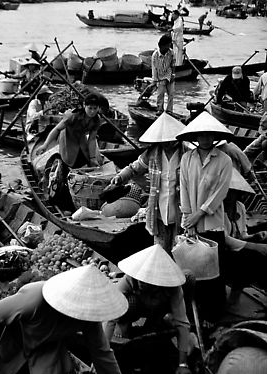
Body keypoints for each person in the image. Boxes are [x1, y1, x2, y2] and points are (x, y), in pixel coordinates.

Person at [0, 265, 128, 374]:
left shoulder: (88, 315)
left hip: (49, 350)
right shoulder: (36, 296)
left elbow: (101, 351)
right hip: (20, 346)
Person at [104, 244, 193, 374]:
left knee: (190, 277)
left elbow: (183, 323)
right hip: (137, 305)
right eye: (139, 279)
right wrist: (103, 355)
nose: (141, 282)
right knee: (129, 304)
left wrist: (183, 364)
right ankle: (125, 325)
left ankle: (156, 323)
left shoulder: (172, 288)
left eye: (146, 281)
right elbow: (110, 317)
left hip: (158, 305)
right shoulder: (129, 280)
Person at [176, 111, 233, 323]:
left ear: (214, 136)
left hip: (212, 222)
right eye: (201, 135)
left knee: (214, 272)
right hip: (192, 223)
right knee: (193, 271)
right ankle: (194, 314)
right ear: (195, 137)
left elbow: (221, 192)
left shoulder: (224, 160)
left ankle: (215, 315)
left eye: (209, 135)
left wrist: (199, 213)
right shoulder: (187, 158)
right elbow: (183, 188)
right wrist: (188, 217)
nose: (205, 139)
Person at [110, 112, 187, 254]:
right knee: (159, 250)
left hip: (180, 209)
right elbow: (134, 168)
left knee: (179, 249)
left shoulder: (187, 154)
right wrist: (120, 177)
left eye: (171, 140)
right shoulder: (153, 154)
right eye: (165, 140)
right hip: (158, 208)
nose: (168, 143)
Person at [222, 168, 267, 302]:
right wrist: (254, 246)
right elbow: (225, 239)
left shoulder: (240, 206)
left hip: (238, 249)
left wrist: (256, 236)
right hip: (222, 253)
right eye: (227, 192)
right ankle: (234, 297)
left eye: (233, 192)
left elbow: (242, 235)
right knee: (251, 256)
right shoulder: (217, 209)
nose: (230, 195)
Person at [151, 34, 176, 114]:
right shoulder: (155, 55)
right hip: (160, 76)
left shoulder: (171, 52)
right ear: (162, 45)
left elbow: (173, 64)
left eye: (169, 45)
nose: (168, 47)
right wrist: (154, 80)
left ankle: (169, 111)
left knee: (171, 93)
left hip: (169, 74)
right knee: (160, 94)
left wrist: (173, 75)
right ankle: (160, 109)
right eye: (167, 45)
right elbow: (154, 68)